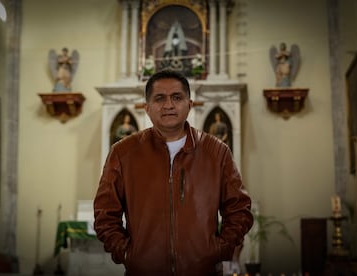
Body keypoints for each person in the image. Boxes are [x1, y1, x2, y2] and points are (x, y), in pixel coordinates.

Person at [93, 70, 253, 275]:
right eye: (160, 98)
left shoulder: (217, 152)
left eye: (177, 97)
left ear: (190, 104)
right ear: (147, 108)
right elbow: (105, 214)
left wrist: (219, 249)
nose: (168, 105)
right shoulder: (123, 153)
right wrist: (126, 254)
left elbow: (239, 210)